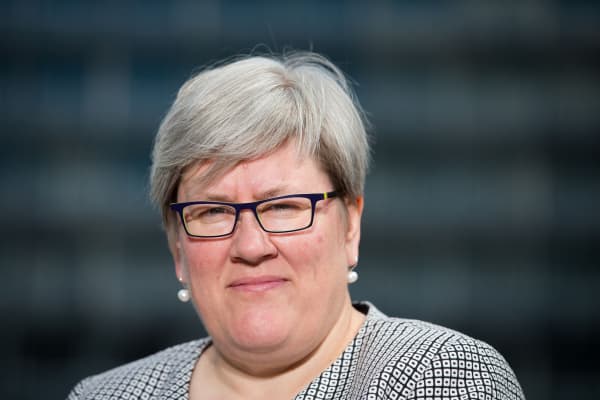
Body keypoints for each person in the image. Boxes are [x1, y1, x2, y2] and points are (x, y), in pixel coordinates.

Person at [68, 51, 525, 400]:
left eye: (283, 207)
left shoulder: (442, 376)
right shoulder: (104, 396)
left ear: (351, 226)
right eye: (212, 212)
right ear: (177, 249)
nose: (251, 246)